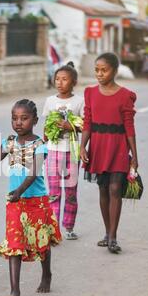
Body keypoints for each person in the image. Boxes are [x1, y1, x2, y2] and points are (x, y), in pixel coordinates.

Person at [0, 99, 62, 296]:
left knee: (41, 241)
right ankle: (15, 290)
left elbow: (34, 172)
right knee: (14, 243)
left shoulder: (40, 145)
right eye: (14, 118)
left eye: (24, 118)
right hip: (15, 202)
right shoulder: (10, 142)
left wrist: (19, 191)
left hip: (36, 201)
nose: (18, 123)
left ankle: (46, 274)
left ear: (34, 120)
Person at [80, 52, 138, 254]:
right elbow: (88, 122)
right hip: (98, 146)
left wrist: (135, 157)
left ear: (115, 70)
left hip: (118, 146)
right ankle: (107, 232)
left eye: (104, 70)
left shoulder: (125, 95)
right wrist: (82, 146)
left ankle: (113, 236)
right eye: (97, 70)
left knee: (115, 189)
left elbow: (129, 127)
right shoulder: (90, 92)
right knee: (103, 189)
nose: (99, 74)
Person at [42, 62, 84, 240]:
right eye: (57, 79)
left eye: (64, 79)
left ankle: (69, 226)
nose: (59, 82)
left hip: (72, 153)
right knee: (53, 193)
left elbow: (84, 126)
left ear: (73, 82)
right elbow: (45, 127)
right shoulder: (50, 101)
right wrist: (46, 136)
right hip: (53, 151)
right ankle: (53, 229)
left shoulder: (79, 101)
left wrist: (71, 126)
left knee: (71, 192)